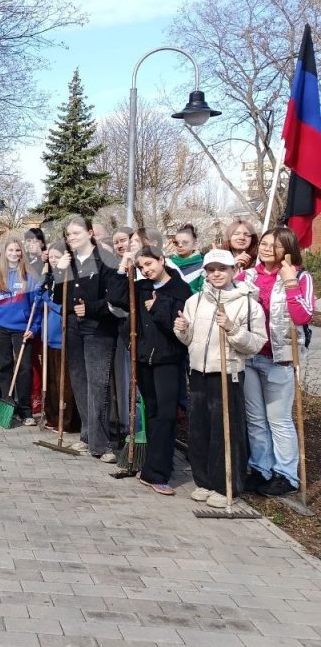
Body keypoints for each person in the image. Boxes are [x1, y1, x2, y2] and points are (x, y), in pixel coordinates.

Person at [174, 249, 266, 508]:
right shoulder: (196, 301)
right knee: (200, 429)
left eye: (222, 269)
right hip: (199, 373)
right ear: (205, 273)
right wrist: (182, 330)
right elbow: (190, 339)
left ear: (233, 271)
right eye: (211, 269)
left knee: (225, 432)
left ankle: (225, 485)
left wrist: (233, 329)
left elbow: (257, 343)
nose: (216, 274)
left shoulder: (247, 303)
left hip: (228, 374)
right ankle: (203, 481)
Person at [107, 246, 192, 495]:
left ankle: (158, 472)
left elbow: (176, 328)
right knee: (152, 413)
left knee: (166, 414)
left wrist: (157, 308)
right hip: (144, 359)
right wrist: (123, 265)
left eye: (149, 264)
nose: (146, 270)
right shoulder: (141, 287)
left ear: (162, 260)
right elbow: (115, 296)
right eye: (142, 266)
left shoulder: (180, 290)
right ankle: (153, 468)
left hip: (168, 360)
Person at [237, 227, 314, 497]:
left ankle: (287, 475)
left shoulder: (300, 276)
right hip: (250, 355)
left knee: (279, 420)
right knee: (256, 419)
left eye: (276, 245)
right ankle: (261, 468)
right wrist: (236, 272)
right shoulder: (248, 276)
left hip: (279, 359)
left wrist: (290, 282)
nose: (268, 248)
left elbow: (303, 316)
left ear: (288, 249)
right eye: (266, 243)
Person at [53, 216, 119, 462]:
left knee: (98, 383)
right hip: (71, 326)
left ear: (90, 233)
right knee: (79, 381)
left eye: (77, 233)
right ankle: (87, 436)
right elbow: (59, 298)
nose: (72, 238)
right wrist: (60, 270)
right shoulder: (68, 262)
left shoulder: (106, 260)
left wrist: (92, 308)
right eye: (69, 234)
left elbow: (116, 297)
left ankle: (102, 444)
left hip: (98, 327)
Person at [0, 235, 42, 425]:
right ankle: (8, 403)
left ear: (21, 252)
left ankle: (26, 410)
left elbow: (37, 307)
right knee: (4, 367)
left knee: (24, 368)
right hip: (0, 328)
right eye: (10, 250)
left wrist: (34, 327)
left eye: (17, 250)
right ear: (4, 253)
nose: (14, 253)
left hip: (22, 329)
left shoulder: (30, 276)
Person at [40, 243, 79, 433]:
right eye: (52, 257)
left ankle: (68, 421)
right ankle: (52, 416)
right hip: (48, 337)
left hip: (63, 337)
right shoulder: (49, 278)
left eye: (58, 257)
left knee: (64, 383)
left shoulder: (68, 278)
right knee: (52, 382)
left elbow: (63, 305)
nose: (54, 260)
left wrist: (50, 302)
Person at [170, 223, 204, 293]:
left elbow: (204, 295)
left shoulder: (203, 266)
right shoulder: (167, 264)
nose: (180, 245)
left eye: (185, 242)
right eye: (176, 242)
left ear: (194, 243)